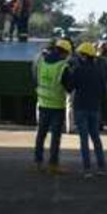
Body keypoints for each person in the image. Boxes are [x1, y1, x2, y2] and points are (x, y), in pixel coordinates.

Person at [65, 42, 107, 176]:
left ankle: (87, 169)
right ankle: (102, 168)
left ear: (83, 56)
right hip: (94, 108)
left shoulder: (78, 70)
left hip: (80, 107)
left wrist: (66, 74)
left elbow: (69, 87)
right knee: (96, 138)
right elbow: (103, 91)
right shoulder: (98, 71)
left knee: (84, 139)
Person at [31, 37, 71, 174]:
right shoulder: (63, 66)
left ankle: (37, 162)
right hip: (57, 105)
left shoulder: (41, 62)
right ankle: (53, 165)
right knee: (55, 137)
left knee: (41, 134)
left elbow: (35, 78)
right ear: (65, 52)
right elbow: (69, 87)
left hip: (42, 103)